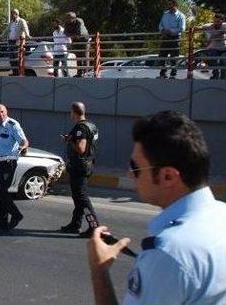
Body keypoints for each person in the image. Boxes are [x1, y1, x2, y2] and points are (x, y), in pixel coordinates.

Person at [87, 111, 226, 305]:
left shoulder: (170, 253)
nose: (129, 173)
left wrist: (99, 270)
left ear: (168, 176)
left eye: (135, 167)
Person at [60, 102, 99, 237]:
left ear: (74, 112)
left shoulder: (80, 128)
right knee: (77, 196)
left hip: (79, 166)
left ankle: (94, 227)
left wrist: (68, 141)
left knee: (82, 197)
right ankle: (75, 224)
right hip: (86, 164)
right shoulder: (92, 125)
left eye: (71, 112)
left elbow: (81, 149)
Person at [158, 0, 186, 79]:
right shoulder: (165, 14)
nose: (169, 6)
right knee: (162, 56)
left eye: (170, 4)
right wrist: (162, 30)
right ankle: (162, 73)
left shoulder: (181, 15)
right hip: (165, 37)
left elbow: (182, 28)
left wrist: (171, 31)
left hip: (174, 38)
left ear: (175, 5)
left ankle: (173, 74)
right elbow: (160, 24)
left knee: (174, 56)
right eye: (168, 4)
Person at [64, 12, 90, 77]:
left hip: (85, 41)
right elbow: (65, 33)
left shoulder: (79, 21)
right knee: (78, 57)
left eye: (68, 18)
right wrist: (72, 35)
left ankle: (86, 73)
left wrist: (72, 35)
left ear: (73, 18)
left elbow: (80, 33)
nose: (67, 20)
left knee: (85, 56)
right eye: (67, 18)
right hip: (76, 41)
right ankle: (79, 73)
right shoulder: (67, 23)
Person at [201, 13, 226, 80]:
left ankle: (223, 78)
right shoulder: (210, 26)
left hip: (224, 48)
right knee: (213, 60)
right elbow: (202, 27)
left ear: (222, 21)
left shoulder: (224, 26)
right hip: (214, 48)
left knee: (223, 62)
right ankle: (216, 75)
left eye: (218, 21)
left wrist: (222, 33)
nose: (216, 23)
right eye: (215, 21)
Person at [7, 9, 30, 76]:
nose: (11, 15)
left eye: (12, 14)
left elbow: (25, 28)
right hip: (10, 42)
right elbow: (7, 30)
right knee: (11, 59)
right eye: (11, 13)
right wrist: (1, 36)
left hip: (17, 42)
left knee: (17, 58)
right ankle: (14, 72)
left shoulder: (21, 21)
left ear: (16, 14)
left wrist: (28, 35)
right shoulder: (11, 22)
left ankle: (18, 73)